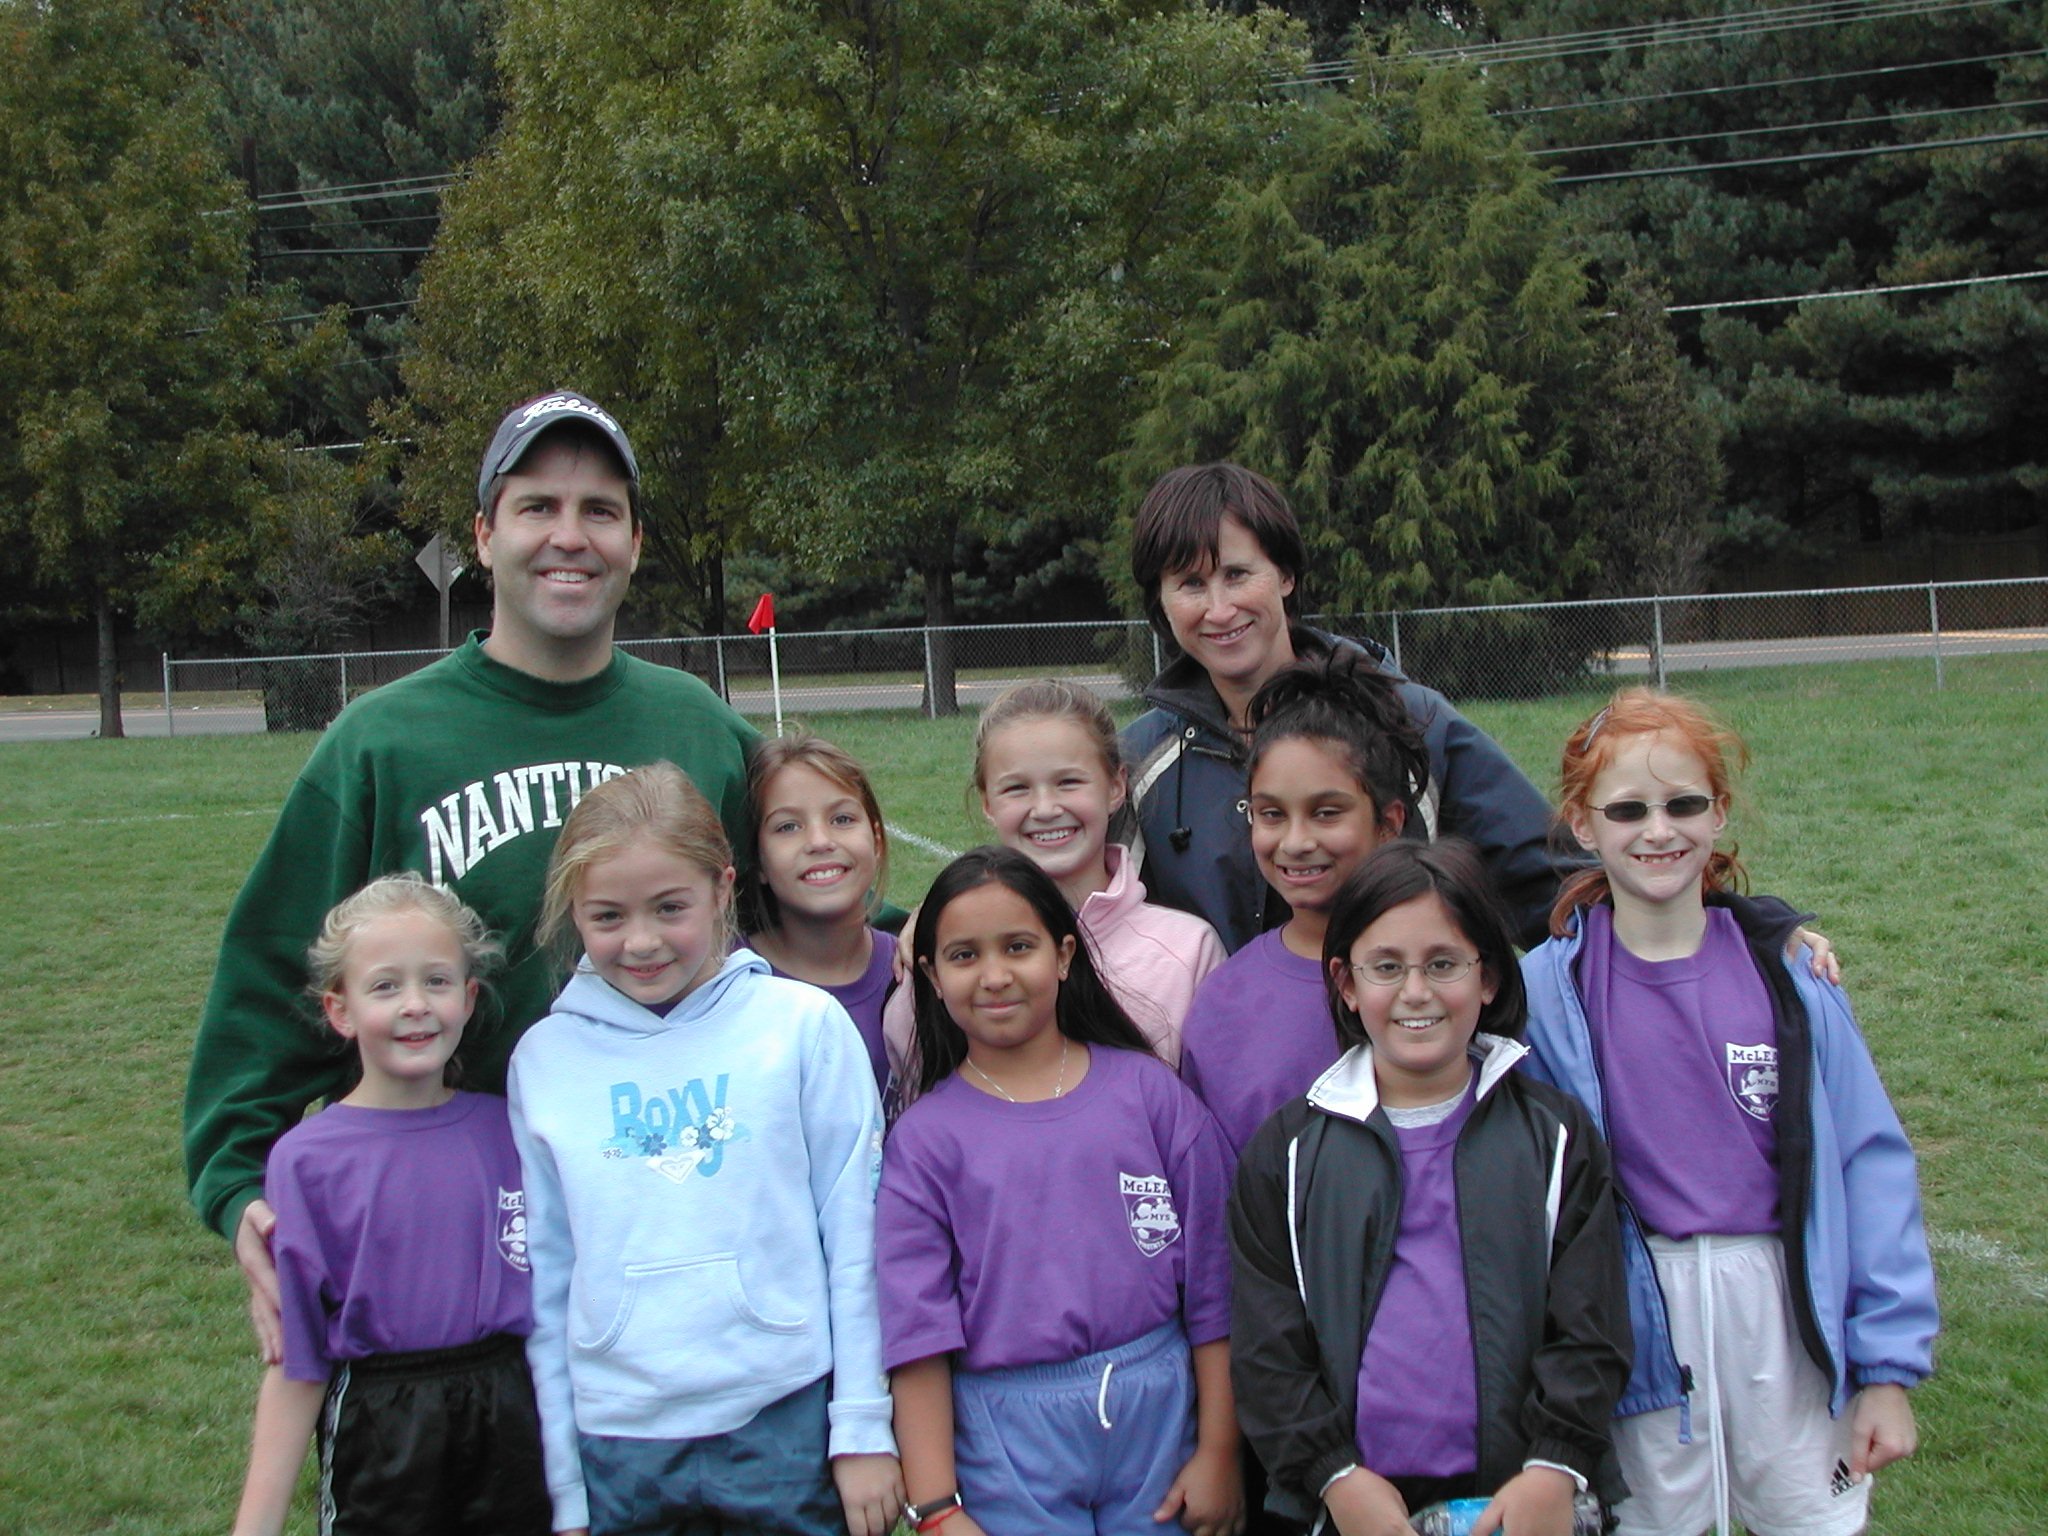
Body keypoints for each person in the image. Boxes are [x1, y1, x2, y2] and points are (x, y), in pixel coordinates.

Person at [184, 389, 758, 1362]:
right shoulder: (383, 740)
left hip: (672, 1235)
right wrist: (241, 1187)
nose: (568, 536)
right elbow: (274, 980)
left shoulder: (698, 727)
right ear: (486, 536)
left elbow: (820, 910)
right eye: (537, 506)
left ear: (633, 540)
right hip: (444, 1250)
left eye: (599, 511)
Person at [1519, 688, 1938, 1536]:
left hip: (1783, 1313)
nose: (1658, 830)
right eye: (1627, 809)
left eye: (1683, 804)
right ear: (1582, 824)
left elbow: (1870, 1165)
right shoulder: (1544, 992)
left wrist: (1885, 1368)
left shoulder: (1793, 981)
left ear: (1719, 812)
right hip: (1635, 1316)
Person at [509, 761, 899, 1536]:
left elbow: (855, 1237)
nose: (643, 941)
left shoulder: (802, 1027)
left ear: (724, 889)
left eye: (670, 907)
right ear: (574, 915)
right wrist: (565, 1486)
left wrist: (860, 1427)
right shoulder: (544, 1060)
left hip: (787, 1419)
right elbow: (544, 1279)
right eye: (609, 916)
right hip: (617, 1439)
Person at [1229, 839, 1632, 1536]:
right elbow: (1268, 1351)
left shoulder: (1555, 1136)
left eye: (1443, 964)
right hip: (1354, 1506)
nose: (1416, 992)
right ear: (1346, 983)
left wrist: (1554, 1466)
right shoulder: (1287, 1153)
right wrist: (1333, 1476)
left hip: (1521, 1499)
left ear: (1489, 978)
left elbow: (1592, 1325)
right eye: (1386, 967)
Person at [880, 847, 1242, 1536]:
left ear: (1065, 953)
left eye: (1019, 946)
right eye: (963, 956)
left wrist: (1220, 1450)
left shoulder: (1149, 1095)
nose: (994, 976)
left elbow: (1215, 1288)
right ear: (929, 973)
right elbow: (917, 1335)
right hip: (1008, 1439)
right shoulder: (925, 1142)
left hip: (1162, 1420)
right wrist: (936, 1509)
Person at [1119, 462, 1563, 952]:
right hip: (1225, 1027)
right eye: (1191, 583)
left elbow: (1560, 896)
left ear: (1285, 575)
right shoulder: (1138, 763)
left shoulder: (1413, 724)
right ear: (1160, 601)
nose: (1219, 609)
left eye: (1237, 574)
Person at [231, 873, 548, 1536]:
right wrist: (256, 1523)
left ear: (468, 998)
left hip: (515, 1411)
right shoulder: (308, 1160)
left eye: (435, 982)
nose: (415, 1005)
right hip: (382, 1422)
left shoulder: (508, 1130)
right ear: (340, 1010)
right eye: (385, 985)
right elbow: (299, 1356)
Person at [884, 678, 1225, 1096]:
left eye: (1069, 782)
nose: (1045, 809)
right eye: (1017, 788)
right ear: (988, 802)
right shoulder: (941, 955)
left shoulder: (1188, 952)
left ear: (1116, 786)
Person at [1179, 650, 1429, 1156]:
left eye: (1326, 812)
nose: (1294, 841)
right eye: (1272, 814)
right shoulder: (1223, 1001)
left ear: (1390, 823)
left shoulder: (1440, 974)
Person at [742, 730, 896, 1097]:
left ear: (875, 840)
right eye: (788, 826)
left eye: (842, 819)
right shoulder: (725, 982)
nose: (819, 841)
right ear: (758, 859)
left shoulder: (915, 974)